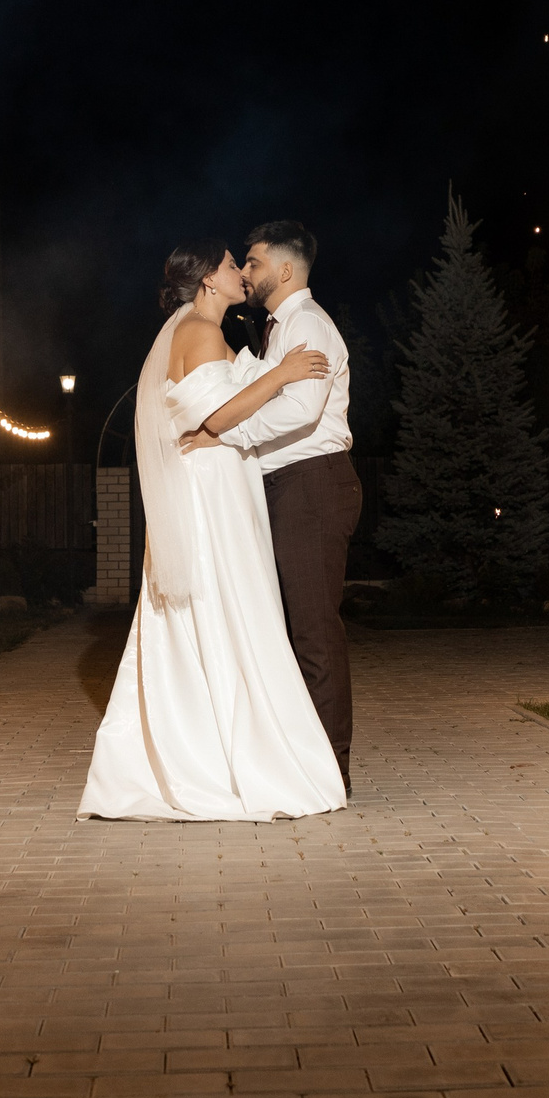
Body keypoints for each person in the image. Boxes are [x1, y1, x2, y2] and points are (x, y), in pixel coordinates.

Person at [77, 239, 346, 822]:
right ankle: (228, 758)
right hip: (210, 492)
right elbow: (219, 417)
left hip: (223, 480)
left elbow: (225, 407)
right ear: (206, 282)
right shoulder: (198, 332)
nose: (239, 274)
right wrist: (286, 375)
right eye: (230, 265)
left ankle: (220, 749)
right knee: (231, 606)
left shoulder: (213, 332)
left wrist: (278, 372)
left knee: (229, 609)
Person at [212, 221, 358, 792]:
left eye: (252, 262)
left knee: (315, 634)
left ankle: (330, 774)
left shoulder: (308, 324)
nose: (245, 273)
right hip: (292, 486)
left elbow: (300, 410)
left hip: (311, 486)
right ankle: (306, 762)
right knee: (297, 631)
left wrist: (229, 435)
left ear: (285, 269)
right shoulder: (280, 328)